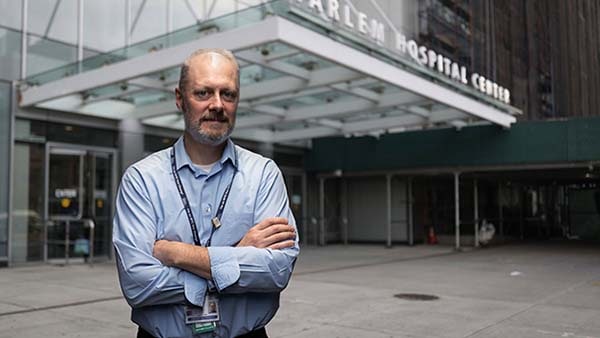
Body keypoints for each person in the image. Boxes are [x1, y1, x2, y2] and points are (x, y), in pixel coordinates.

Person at [113, 48, 299, 338]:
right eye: (203, 93)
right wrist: (237, 256)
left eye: (228, 94)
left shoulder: (264, 174)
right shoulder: (142, 179)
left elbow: (277, 271)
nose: (217, 105)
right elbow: (138, 284)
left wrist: (177, 253)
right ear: (179, 99)